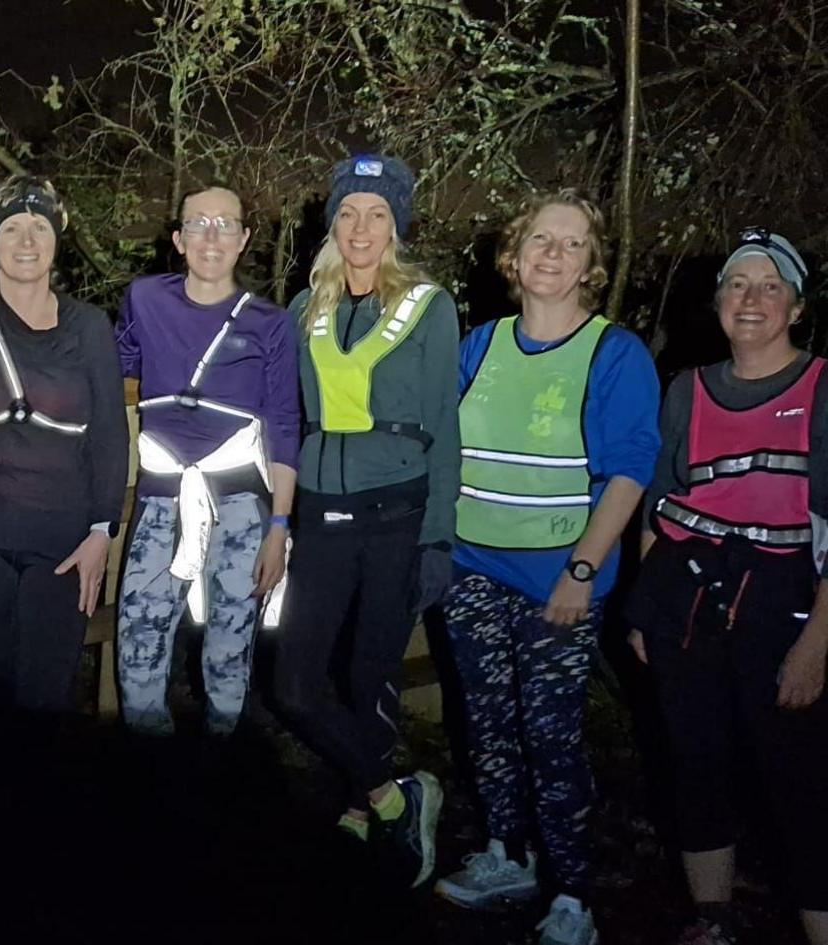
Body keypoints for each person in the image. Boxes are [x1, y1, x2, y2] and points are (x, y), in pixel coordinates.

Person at [432, 191, 659, 945]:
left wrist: (583, 571)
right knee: (487, 724)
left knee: (552, 737)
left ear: (592, 264)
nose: (552, 253)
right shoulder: (481, 343)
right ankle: (509, 855)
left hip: (558, 580)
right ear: (515, 252)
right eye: (539, 238)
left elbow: (630, 470)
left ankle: (572, 894)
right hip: (471, 569)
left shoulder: (612, 352)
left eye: (571, 242)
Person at [627, 229, 828, 945]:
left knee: (799, 782)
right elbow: (660, 506)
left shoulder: (822, 387)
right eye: (737, 285)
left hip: (784, 604)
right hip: (685, 603)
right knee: (696, 765)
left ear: (795, 308)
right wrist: (645, 613)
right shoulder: (686, 389)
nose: (751, 299)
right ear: (717, 303)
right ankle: (711, 919)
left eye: (770, 287)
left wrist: (816, 646)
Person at [272, 154, 458, 887]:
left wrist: (437, 535)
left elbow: (444, 425)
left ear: (396, 226)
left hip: (395, 515)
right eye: (348, 212)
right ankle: (395, 793)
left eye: (377, 214)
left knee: (369, 673)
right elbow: (283, 409)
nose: (360, 227)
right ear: (332, 225)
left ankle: (360, 803)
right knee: (294, 683)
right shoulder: (303, 306)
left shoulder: (429, 306)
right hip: (322, 512)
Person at [0, 175, 129, 715]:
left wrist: (102, 531)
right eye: (12, 227)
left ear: (57, 240)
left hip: (63, 545)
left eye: (40, 227)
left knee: (46, 700)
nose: (27, 240)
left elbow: (110, 434)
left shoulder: (89, 326)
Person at [114, 184, 299, 736]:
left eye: (226, 224)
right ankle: (151, 766)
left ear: (243, 239)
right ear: (178, 238)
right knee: (139, 636)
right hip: (161, 497)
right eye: (198, 223)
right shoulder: (145, 299)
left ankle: (223, 764)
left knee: (229, 646)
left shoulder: (270, 323)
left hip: (240, 504)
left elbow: (283, 425)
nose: (211, 236)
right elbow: (111, 364)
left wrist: (279, 527)